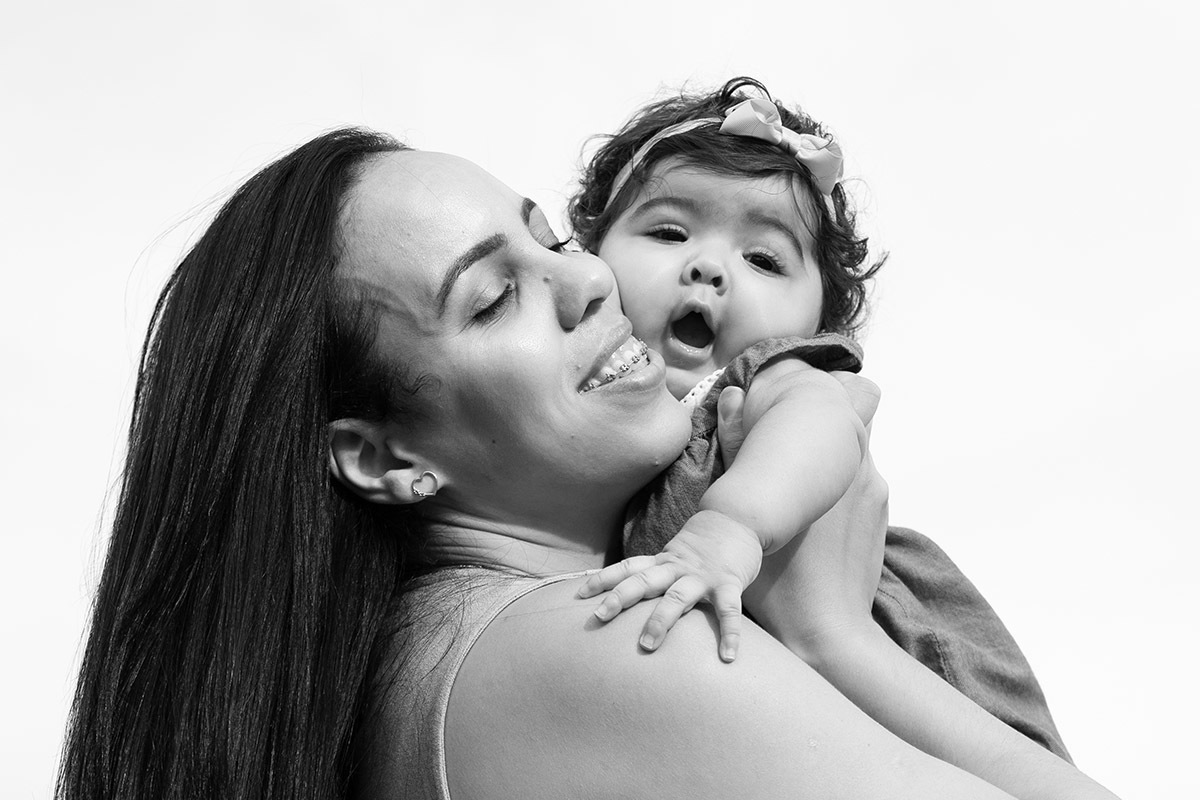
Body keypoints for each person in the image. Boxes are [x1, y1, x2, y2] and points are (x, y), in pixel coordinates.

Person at [58, 128, 1119, 800]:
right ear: (383, 457)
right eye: (492, 297)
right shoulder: (611, 639)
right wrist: (836, 637)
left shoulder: (428, 672)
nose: (587, 285)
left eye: (545, 242)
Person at [568, 77, 1071, 757]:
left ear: (819, 322)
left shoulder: (766, 375)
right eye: (668, 231)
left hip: (911, 657)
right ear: (589, 255)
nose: (709, 267)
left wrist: (729, 526)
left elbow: (820, 424)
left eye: (764, 259)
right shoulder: (586, 400)